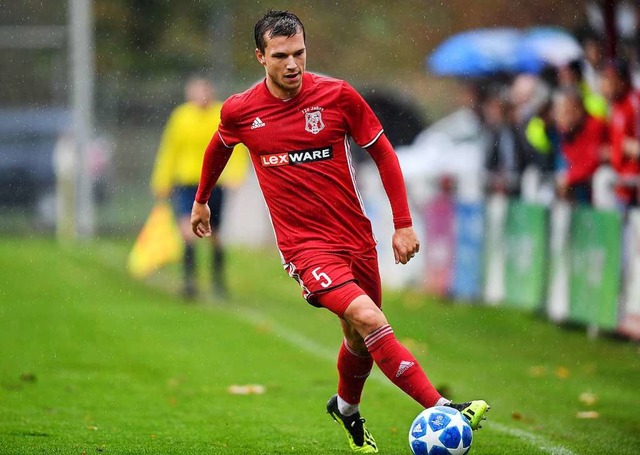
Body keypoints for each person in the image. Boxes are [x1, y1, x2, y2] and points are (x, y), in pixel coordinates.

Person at [190, 10, 489, 453]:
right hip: (306, 249)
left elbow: (385, 154)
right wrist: (201, 200)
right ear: (260, 56)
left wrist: (402, 224)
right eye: (280, 56)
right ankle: (445, 408)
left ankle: (346, 409)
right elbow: (219, 146)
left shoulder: (338, 97)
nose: (292, 64)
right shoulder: (241, 110)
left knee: (359, 338)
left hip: (357, 239)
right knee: (371, 319)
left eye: (299, 53)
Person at [151, 76, 248, 299]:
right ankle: (189, 282)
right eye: (195, 93)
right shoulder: (181, 117)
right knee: (188, 232)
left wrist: (235, 174)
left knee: (215, 235)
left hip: (215, 182)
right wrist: (162, 180)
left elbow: (236, 145)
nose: (200, 98)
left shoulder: (221, 113)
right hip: (187, 183)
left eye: (204, 92)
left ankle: (218, 281)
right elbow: (170, 149)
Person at [553, 87, 608, 204]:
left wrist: (569, 178)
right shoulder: (566, 133)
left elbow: (592, 162)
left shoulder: (596, 126)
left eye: (564, 112)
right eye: (557, 113)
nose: (559, 118)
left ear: (578, 110)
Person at [601, 59, 640, 207]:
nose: (604, 85)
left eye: (609, 80)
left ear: (623, 81)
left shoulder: (634, 102)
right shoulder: (616, 105)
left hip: (633, 182)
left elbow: (634, 147)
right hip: (620, 182)